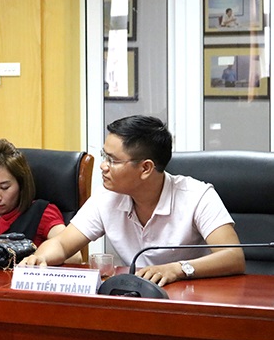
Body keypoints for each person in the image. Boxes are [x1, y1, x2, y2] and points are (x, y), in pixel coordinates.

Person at [21, 115, 245, 287]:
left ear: (146, 168)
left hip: (189, 297)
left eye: (113, 160)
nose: (103, 166)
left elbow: (233, 256)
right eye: (104, 156)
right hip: (134, 295)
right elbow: (62, 244)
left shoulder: (197, 195)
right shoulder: (106, 197)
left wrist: (176, 269)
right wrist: (39, 258)